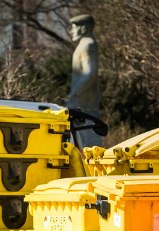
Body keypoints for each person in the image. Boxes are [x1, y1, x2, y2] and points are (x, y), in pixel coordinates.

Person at [67, 14, 103, 148]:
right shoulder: (84, 44)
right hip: (82, 101)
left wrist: (75, 93)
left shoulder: (88, 45)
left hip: (85, 102)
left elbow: (90, 73)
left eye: (74, 27)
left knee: (87, 143)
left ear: (83, 28)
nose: (71, 31)